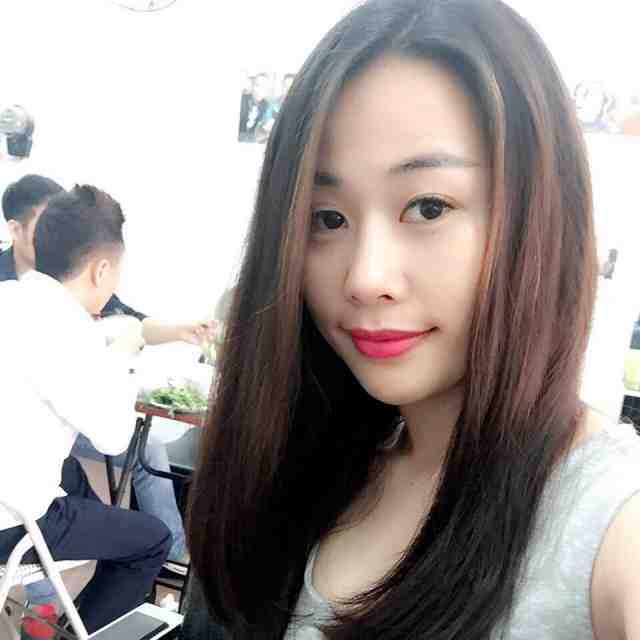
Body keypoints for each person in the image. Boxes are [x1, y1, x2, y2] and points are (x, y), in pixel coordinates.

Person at [187, 1, 640, 638]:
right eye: (327, 218)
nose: (365, 277)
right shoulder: (324, 463)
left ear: (540, 219)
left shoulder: (609, 520)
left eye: (429, 207)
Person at [0, 175, 196, 605]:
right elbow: (114, 437)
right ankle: (79, 626)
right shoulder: (70, 330)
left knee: (74, 474)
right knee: (151, 541)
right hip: (10, 522)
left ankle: (75, 588)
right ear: (101, 270)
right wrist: (122, 356)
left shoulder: (10, 297)